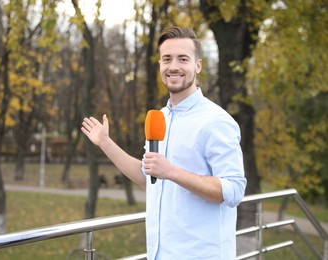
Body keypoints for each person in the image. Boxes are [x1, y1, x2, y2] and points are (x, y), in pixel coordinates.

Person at [81, 26, 247, 259]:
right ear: (160, 65)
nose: (174, 66)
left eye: (183, 59)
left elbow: (234, 190)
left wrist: (172, 172)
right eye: (167, 59)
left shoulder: (216, 121)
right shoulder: (159, 118)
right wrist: (106, 143)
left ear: (197, 65)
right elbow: (149, 179)